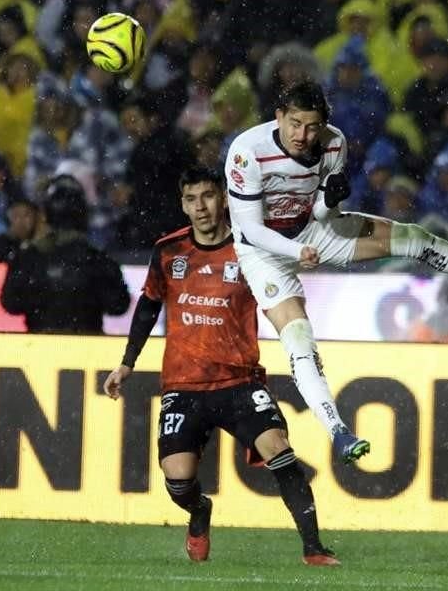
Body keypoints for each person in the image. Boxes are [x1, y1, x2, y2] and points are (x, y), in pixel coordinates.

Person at [224, 81, 448, 463]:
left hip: (312, 229)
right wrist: (298, 250)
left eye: (311, 127)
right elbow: (250, 228)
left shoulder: (333, 143)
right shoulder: (247, 152)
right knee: (297, 335)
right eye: (294, 124)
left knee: (411, 236)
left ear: (323, 123)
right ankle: (339, 432)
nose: (302, 135)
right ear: (278, 117)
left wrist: (329, 199)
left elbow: (325, 211)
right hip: (263, 251)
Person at [103, 167, 339, 566]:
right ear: (183, 204)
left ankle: (314, 548)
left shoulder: (250, 249)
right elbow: (148, 305)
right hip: (184, 383)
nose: (201, 207)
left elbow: (281, 290)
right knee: (177, 479)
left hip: (239, 381)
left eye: (209, 197)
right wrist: (127, 363)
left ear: (225, 199)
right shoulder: (168, 251)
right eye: (192, 199)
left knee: (279, 451)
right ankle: (199, 512)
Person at [0, 174, 129, 334]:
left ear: (45, 215)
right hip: (87, 348)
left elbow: (11, 303)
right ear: (83, 214)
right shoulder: (97, 258)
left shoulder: (28, 257)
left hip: (40, 346)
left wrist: (42, 296)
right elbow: (118, 305)